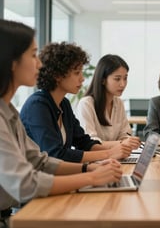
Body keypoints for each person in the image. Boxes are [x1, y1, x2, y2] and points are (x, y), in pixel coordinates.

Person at [0, 19, 122, 226]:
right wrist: (92, 178)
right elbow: (24, 184)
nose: (39, 64)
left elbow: (40, 161)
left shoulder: (9, 110)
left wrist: (89, 169)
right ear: (12, 62)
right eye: (32, 55)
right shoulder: (30, 106)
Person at [20, 42, 133, 163]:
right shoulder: (37, 105)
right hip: (37, 179)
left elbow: (83, 142)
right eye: (77, 72)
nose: (82, 78)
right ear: (58, 75)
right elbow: (55, 155)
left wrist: (117, 150)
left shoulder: (64, 104)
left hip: (56, 175)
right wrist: (108, 154)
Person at [75, 54, 140, 150]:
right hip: (93, 161)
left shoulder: (119, 103)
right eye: (117, 79)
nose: (123, 84)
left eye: (125, 78)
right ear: (103, 80)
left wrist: (130, 141)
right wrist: (122, 143)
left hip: (115, 158)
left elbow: (125, 134)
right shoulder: (86, 104)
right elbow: (90, 142)